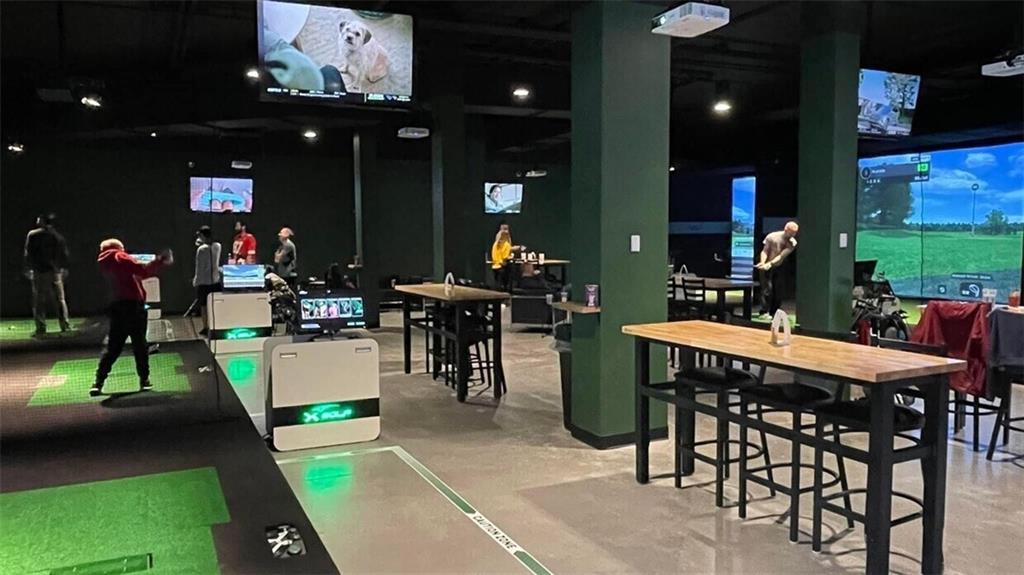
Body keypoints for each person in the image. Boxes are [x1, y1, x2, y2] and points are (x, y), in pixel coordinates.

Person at [90, 239, 173, 396]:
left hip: (117, 307)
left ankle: (98, 382)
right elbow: (142, 271)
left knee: (113, 348)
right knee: (140, 345)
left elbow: (132, 276)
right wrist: (160, 260)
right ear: (119, 248)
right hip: (133, 308)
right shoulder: (119, 256)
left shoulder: (104, 261)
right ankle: (144, 380)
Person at [23, 213, 71, 335]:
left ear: (42, 222)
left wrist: (28, 267)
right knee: (60, 299)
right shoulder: (57, 235)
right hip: (54, 271)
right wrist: (63, 267)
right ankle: (64, 325)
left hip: (39, 270)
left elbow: (28, 253)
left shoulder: (33, 235)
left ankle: (41, 327)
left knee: (39, 300)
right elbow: (64, 252)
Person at [755, 221, 799, 318]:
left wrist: (770, 264)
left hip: (779, 266)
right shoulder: (772, 237)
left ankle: (774, 312)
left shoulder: (793, 242)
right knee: (767, 289)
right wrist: (763, 262)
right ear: (786, 229)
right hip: (766, 265)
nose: (793, 235)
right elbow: (765, 250)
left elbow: (781, 256)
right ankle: (764, 312)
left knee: (778, 290)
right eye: (792, 232)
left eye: (795, 233)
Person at [193, 225, 222, 335]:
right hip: (216, 280)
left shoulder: (201, 250)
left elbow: (199, 267)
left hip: (204, 282)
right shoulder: (218, 246)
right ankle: (216, 325)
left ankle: (206, 327)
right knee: (214, 304)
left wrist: (196, 280)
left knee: (204, 306)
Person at [490, 221, 522, 291]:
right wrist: (511, 256)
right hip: (502, 268)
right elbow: (505, 257)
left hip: (495, 267)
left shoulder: (495, 244)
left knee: (498, 286)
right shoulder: (506, 245)